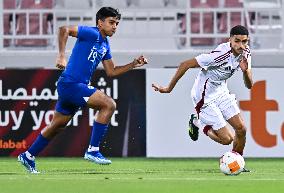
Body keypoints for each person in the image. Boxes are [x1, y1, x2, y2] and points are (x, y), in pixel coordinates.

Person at [18, 7, 148, 173]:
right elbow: (64, 29)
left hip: (71, 86)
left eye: (117, 23)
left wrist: (133, 64)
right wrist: (61, 55)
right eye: (111, 22)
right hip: (72, 84)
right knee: (109, 104)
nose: (115, 26)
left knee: (57, 125)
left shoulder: (105, 44)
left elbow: (112, 71)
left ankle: (28, 155)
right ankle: (93, 149)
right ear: (100, 23)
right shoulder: (92, 33)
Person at [152, 25, 252, 165]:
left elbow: (249, 85)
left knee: (241, 129)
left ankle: (238, 162)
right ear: (230, 39)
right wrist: (168, 88)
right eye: (237, 41)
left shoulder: (246, 53)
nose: (241, 45)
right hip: (204, 97)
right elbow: (185, 64)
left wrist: (245, 71)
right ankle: (197, 122)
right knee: (227, 140)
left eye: (244, 41)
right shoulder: (219, 55)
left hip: (221, 91)